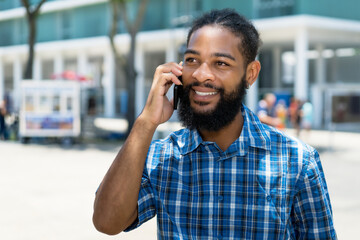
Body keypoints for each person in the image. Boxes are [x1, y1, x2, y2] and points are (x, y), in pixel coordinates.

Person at [93, 9, 336, 239]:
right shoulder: (162, 158)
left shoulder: (298, 162)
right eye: (192, 60)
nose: (200, 75)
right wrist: (146, 121)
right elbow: (107, 222)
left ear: (250, 74)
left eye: (221, 63)